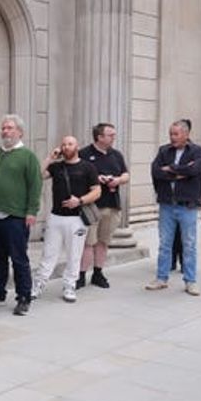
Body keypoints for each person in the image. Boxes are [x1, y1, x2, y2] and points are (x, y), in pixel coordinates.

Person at [0, 114, 42, 316]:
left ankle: (24, 296)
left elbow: (35, 185)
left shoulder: (27, 156)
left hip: (16, 216)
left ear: (20, 132)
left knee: (18, 258)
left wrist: (32, 211)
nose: (5, 131)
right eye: (3, 128)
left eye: (9, 128)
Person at [32, 136, 101, 304]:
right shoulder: (56, 167)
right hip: (56, 217)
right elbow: (37, 175)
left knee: (74, 254)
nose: (66, 147)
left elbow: (97, 191)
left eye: (70, 144)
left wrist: (80, 200)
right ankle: (38, 284)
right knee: (48, 253)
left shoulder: (88, 167)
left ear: (77, 146)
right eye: (63, 144)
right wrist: (50, 157)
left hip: (76, 219)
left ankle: (69, 285)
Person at [148, 119, 201, 295]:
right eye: (170, 134)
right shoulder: (164, 150)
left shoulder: (197, 151)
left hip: (186, 205)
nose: (172, 137)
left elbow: (195, 170)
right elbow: (155, 171)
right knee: (165, 244)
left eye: (176, 134)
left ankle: (190, 281)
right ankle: (161, 278)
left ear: (186, 134)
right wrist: (179, 172)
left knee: (189, 244)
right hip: (167, 204)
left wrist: (171, 169)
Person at [78, 123, 129, 289]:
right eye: (110, 135)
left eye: (114, 134)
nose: (114, 137)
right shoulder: (84, 154)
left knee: (103, 241)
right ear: (99, 137)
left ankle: (98, 273)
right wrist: (95, 179)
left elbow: (126, 174)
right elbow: (76, 175)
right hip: (91, 206)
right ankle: (81, 275)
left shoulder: (116, 155)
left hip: (111, 205)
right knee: (88, 242)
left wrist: (118, 180)